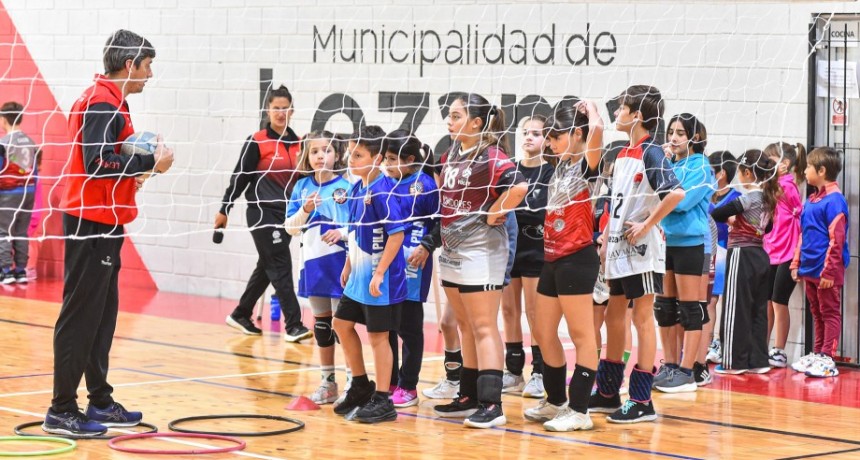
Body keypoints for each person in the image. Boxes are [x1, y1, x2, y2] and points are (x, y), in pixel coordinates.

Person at [45, 29, 174, 436]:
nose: (150, 74)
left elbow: (108, 159)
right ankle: (62, 409)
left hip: (107, 216)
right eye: (147, 65)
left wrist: (141, 162)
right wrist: (151, 162)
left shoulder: (111, 100)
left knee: (102, 313)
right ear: (129, 64)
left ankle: (99, 401)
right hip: (90, 219)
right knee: (82, 313)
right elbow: (98, 161)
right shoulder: (102, 101)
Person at [432, 93, 527, 429]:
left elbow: (519, 186)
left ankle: (492, 403)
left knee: (484, 326)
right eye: (449, 115)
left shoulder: (492, 156)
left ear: (475, 122)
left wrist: (493, 214)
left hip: (482, 253)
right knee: (465, 325)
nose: (449, 121)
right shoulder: (451, 154)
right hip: (453, 252)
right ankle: (468, 396)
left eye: (456, 116)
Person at [590, 85, 684, 424]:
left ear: (638, 116)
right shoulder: (620, 154)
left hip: (643, 250)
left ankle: (642, 399)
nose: (617, 113)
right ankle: (607, 391)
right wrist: (604, 238)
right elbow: (615, 206)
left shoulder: (651, 153)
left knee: (642, 318)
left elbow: (675, 194)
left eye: (621, 109)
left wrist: (646, 224)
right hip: (617, 249)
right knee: (615, 317)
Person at [523, 100, 603, 432]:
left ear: (577, 134)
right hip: (552, 258)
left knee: (581, 334)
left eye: (556, 136)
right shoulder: (561, 166)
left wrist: (593, 110)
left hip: (577, 258)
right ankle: (556, 401)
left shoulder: (588, 164)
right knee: (542, 331)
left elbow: (597, 131)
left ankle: (580, 409)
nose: (551, 143)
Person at [217, 85, 311, 342]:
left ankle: (241, 313)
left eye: (285, 108)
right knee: (280, 263)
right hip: (261, 213)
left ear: (292, 110)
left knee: (267, 264)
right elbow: (240, 177)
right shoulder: (257, 141)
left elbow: (305, 178)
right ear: (268, 110)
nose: (280, 113)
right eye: (275, 108)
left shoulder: (300, 143)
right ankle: (293, 324)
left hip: (287, 215)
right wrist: (224, 208)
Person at [332, 125, 406, 423]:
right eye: (351, 153)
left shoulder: (383, 190)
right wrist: (349, 265)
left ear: (376, 159)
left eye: (358, 154)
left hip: (381, 278)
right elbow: (354, 232)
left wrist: (379, 274)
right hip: (359, 275)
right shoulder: (356, 188)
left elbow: (397, 235)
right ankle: (361, 384)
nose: (351, 159)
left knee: (378, 336)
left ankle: (384, 399)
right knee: (341, 323)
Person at [285, 131, 350, 404]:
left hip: (340, 264)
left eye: (327, 150)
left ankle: (353, 382)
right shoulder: (301, 187)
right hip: (312, 264)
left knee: (342, 325)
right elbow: (291, 228)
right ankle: (328, 383)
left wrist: (342, 234)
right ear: (307, 156)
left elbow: (357, 227)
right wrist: (306, 210)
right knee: (321, 326)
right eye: (315, 151)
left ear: (337, 156)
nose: (321, 156)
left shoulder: (347, 187)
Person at [653, 113, 715, 393]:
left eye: (680, 133)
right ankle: (670, 365)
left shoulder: (700, 166)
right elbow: (654, 194)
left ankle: (689, 371)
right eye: (671, 133)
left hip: (690, 243)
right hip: (666, 242)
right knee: (664, 308)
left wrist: (663, 175)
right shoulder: (670, 164)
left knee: (691, 309)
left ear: (694, 137)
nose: (674, 138)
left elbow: (680, 201)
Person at [382, 129, 439, 408]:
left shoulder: (425, 184)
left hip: (413, 267)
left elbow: (442, 221)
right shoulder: (384, 183)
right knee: (386, 328)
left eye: (392, 159)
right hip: (386, 265)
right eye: (385, 159)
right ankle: (390, 381)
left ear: (410, 159)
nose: (387, 165)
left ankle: (408, 386)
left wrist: (427, 244)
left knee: (410, 329)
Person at [711, 150, 780, 375]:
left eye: (740, 172)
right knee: (757, 309)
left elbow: (718, 212)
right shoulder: (769, 198)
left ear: (748, 173)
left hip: (742, 254)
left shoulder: (749, 197)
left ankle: (734, 362)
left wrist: (733, 218)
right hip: (760, 256)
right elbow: (767, 228)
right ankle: (758, 360)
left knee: (735, 307)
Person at [501, 115, 553, 398]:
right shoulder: (511, 169)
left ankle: (539, 372)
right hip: (511, 244)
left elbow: (540, 211)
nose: (529, 137)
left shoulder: (550, 172)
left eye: (536, 133)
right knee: (509, 311)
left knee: (535, 312)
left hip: (537, 247)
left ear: (547, 139)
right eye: (525, 132)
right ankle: (512, 371)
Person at [790, 147, 849, 378]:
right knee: (816, 312)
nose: (804, 171)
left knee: (830, 313)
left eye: (808, 167)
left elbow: (837, 241)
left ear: (822, 171)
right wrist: (796, 262)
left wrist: (829, 272)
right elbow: (803, 234)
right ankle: (817, 353)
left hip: (826, 273)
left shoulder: (835, 201)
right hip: (810, 270)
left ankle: (827, 358)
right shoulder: (812, 200)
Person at [762, 142, 805, 368]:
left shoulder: (787, 185)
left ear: (784, 164)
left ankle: (779, 351)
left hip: (788, 253)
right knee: (767, 302)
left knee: (779, 302)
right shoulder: (773, 184)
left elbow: (798, 215)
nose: (767, 165)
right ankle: (763, 346)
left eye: (771, 160)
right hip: (772, 250)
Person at [703, 151, 741, 364]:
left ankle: (722, 342)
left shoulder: (736, 198)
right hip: (708, 252)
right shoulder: (705, 195)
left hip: (727, 255)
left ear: (722, 173)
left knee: (727, 301)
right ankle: (707, 344)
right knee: (709, 301)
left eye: (710, 170)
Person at [0, 101, 37, 283]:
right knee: (21, 231)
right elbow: (35, 169)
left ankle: (5, 270)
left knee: (3, 231)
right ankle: (21, 270)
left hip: (9, 192)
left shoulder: (3, 143)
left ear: (3, 119)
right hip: (28, 191)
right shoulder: (31, 142)